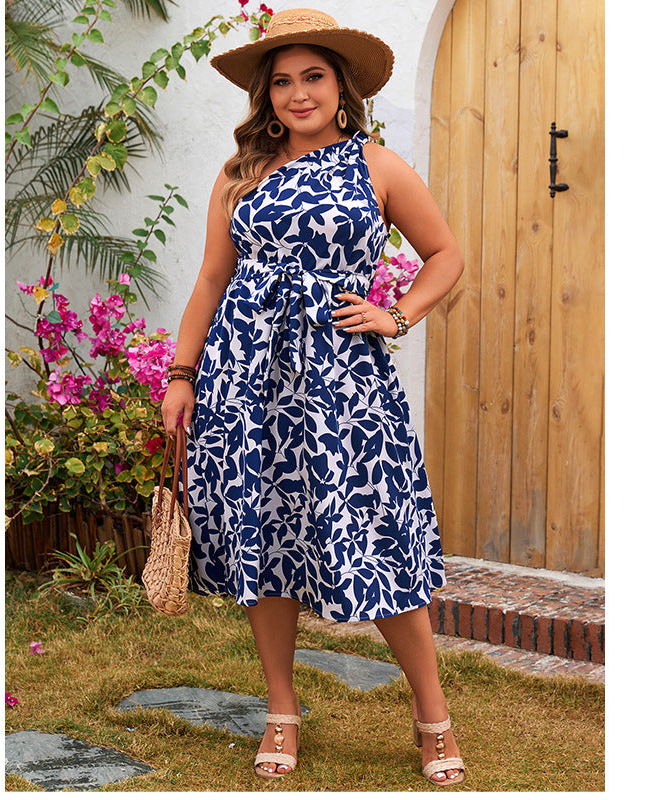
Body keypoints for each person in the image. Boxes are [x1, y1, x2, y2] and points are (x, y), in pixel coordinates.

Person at [160, 7, 466, 788]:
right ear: (267, 94)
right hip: (247, 381)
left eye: (314, 77)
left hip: (345, 386)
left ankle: (433, 717)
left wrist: (397, 313)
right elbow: (210, 281)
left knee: (379, 538)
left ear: (342, 87)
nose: (298, 94)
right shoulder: (240, 174)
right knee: (266, 542)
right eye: (283, 81)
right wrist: (181, 375)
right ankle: (281, 712)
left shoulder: (377, 165)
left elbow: (445, 254)